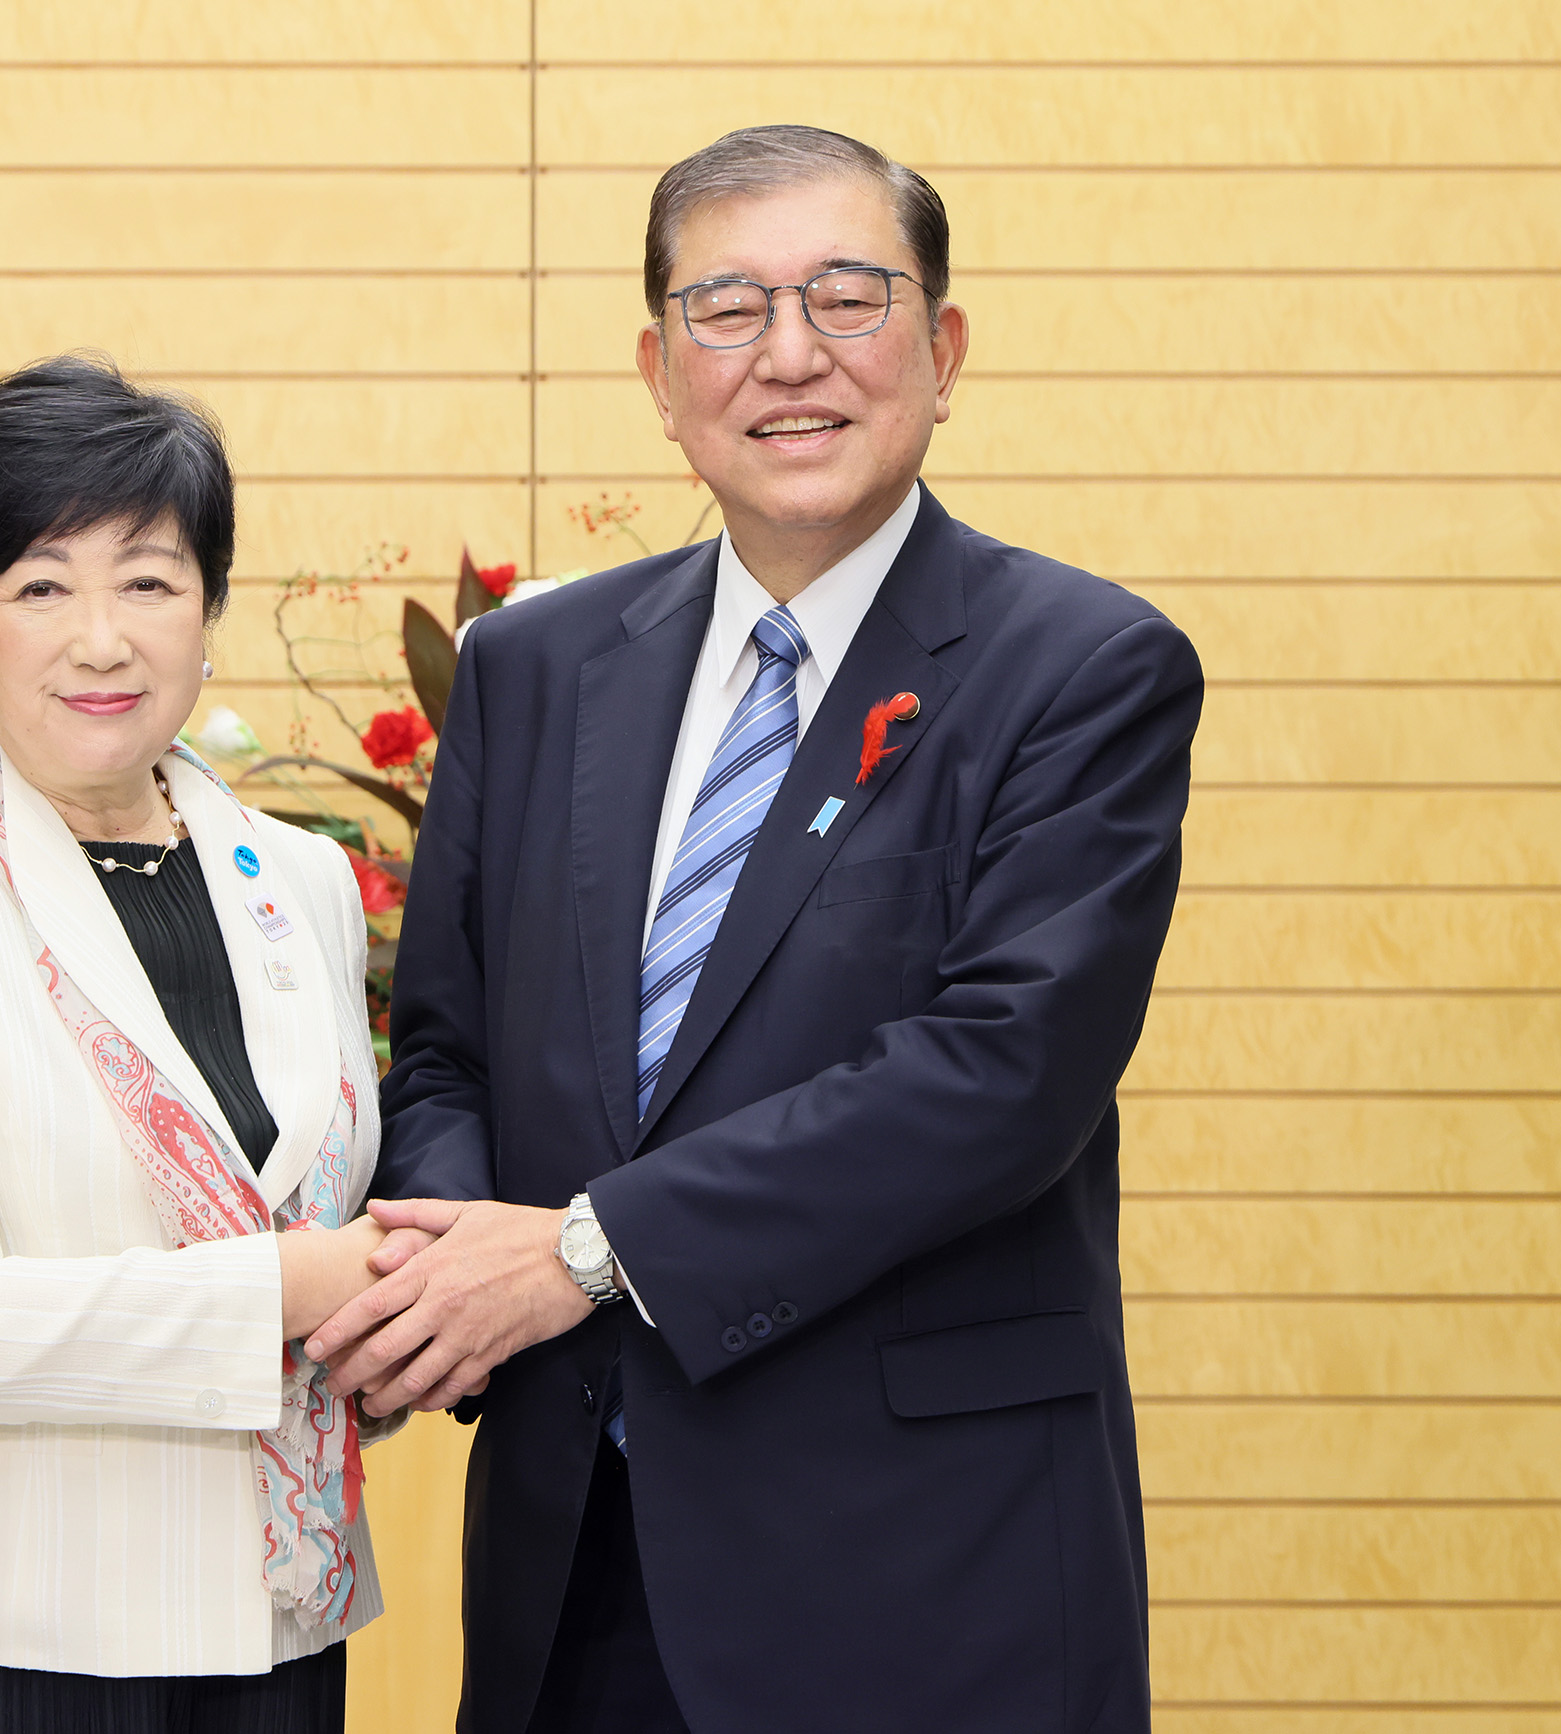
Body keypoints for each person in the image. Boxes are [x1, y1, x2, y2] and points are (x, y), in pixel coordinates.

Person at [308, 126, 1205, 1731]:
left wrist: (583, 1252)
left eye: (849, 298)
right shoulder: (536, 669)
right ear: (660, 370)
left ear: (943, 349)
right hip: (575, 1556)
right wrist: (447, 1279)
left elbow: (1000, 1075)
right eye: (728, 308)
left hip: (927, 1578)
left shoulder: (1079, 667)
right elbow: (444, 1048)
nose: (791, 355)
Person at [0, 356, 410, 1733]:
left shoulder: (298, 875)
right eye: (41, 585)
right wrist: (288, 1286)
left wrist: (388, 1318)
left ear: (209, 610)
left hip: (272, 1629)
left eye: (149, 580)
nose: (102, 638)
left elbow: (330, 1199)